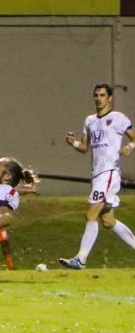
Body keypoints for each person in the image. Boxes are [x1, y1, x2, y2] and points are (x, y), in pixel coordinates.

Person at [59, 83, 135, 269]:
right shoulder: (90, 120)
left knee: (91, 213)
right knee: (108, 221)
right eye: (96, 95)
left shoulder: (118, 118)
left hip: (109, 173)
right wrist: (73, 143)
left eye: (102, 95)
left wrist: (129, 146)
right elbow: (86, 147)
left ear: (110, 98)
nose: (99, 98)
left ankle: (81, 259)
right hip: (96, 175)